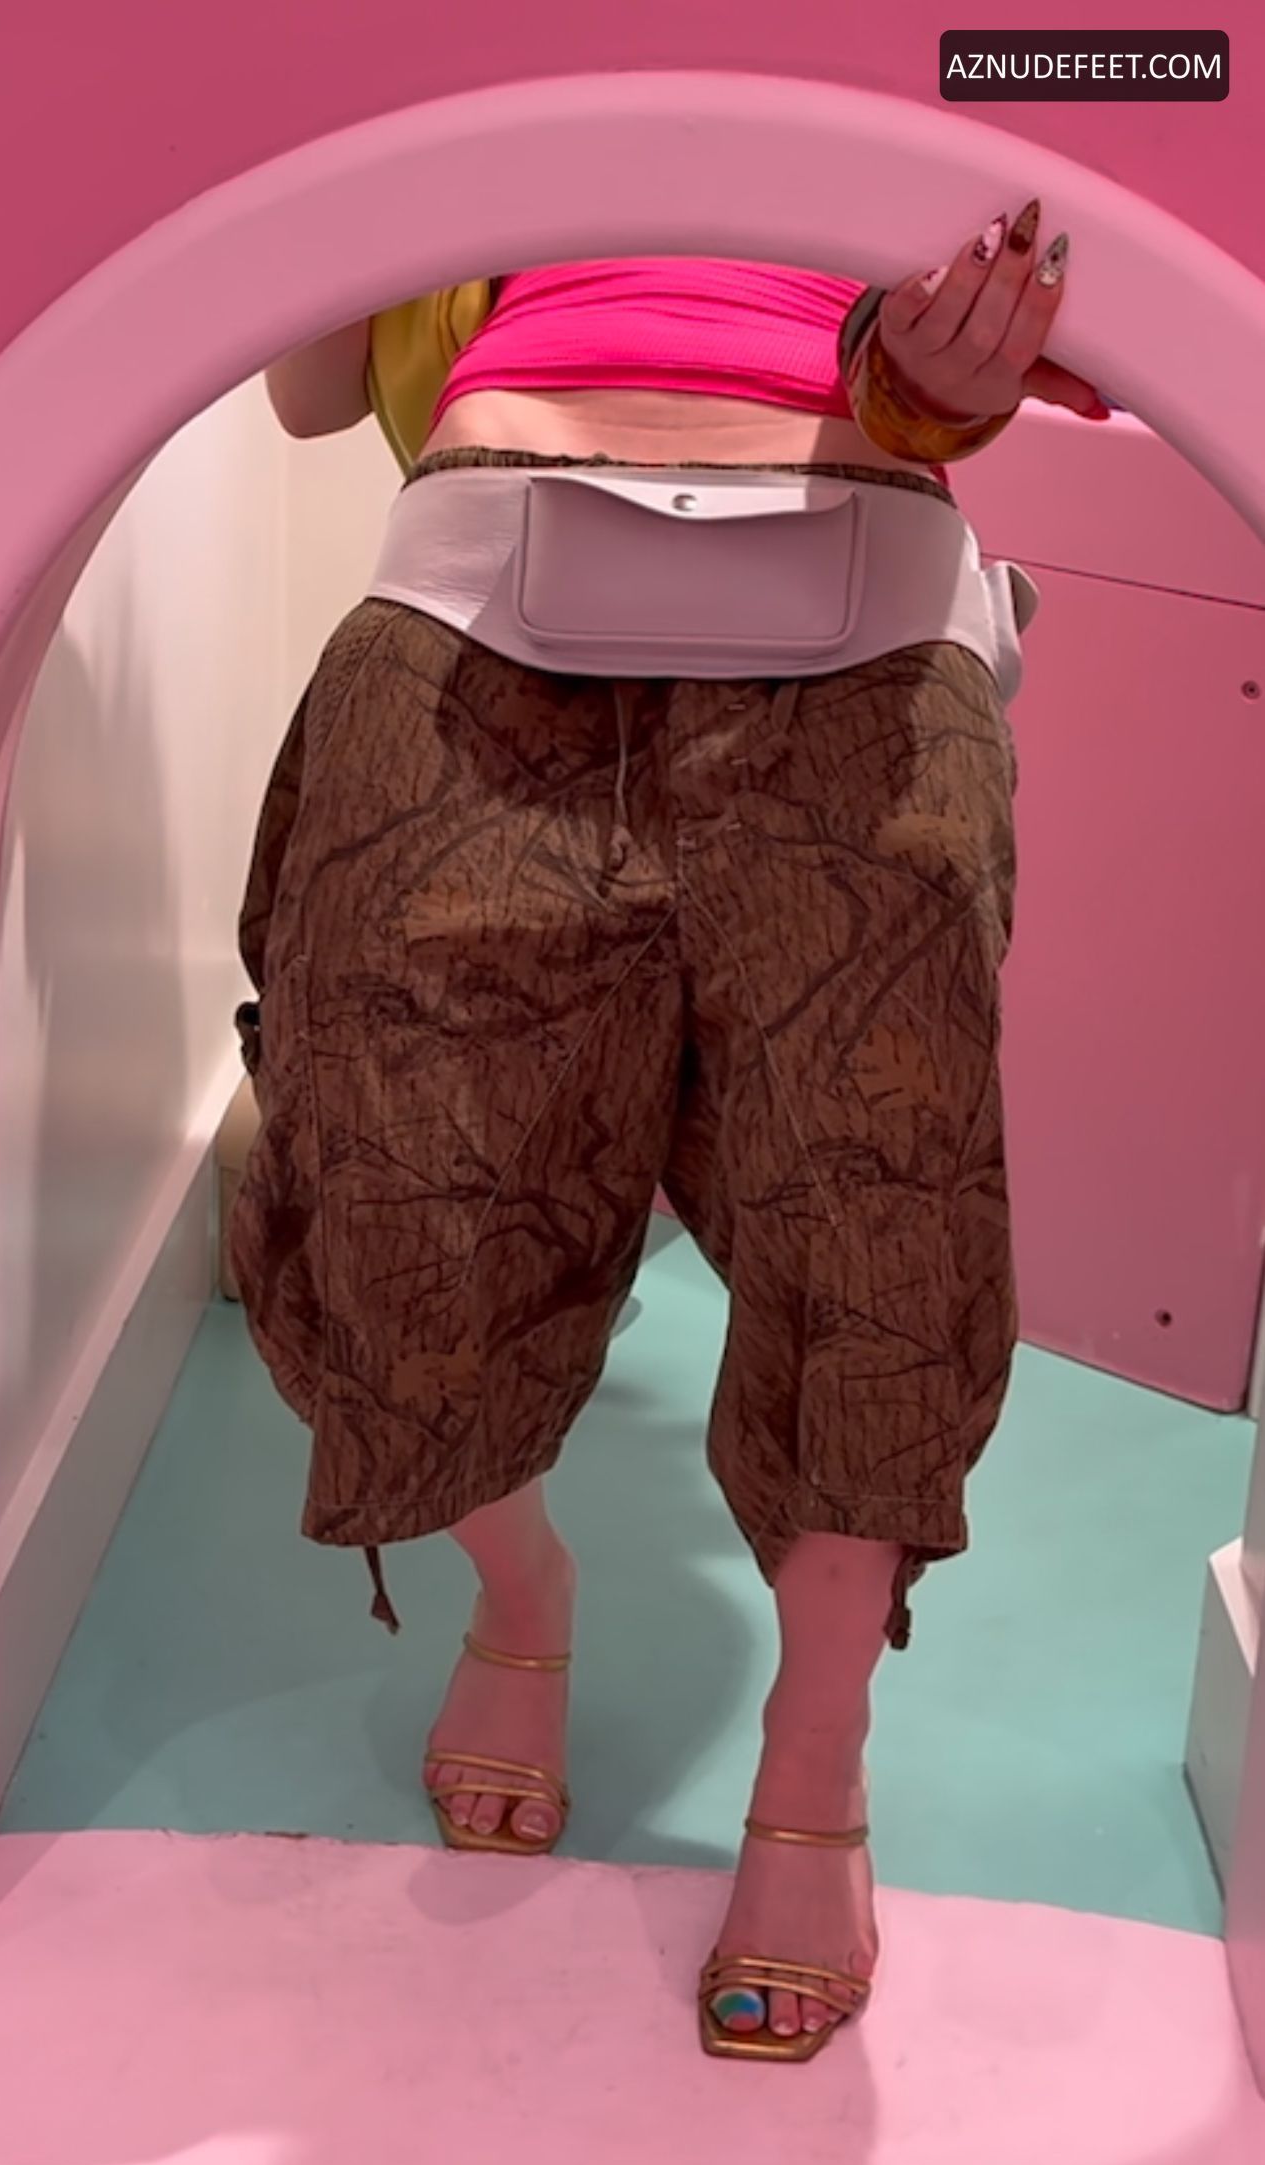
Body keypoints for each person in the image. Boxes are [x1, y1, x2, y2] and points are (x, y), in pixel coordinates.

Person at [236, 205, 1105, 2064]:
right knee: (385, 1167)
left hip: (863, 579)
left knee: (880, 1208)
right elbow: (309, 389)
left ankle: (817, 1749)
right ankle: (524, 1587)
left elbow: (1090, 266)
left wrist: (939, 372)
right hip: (476, 586)